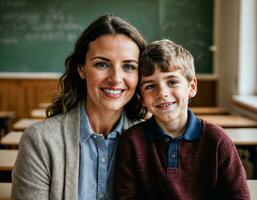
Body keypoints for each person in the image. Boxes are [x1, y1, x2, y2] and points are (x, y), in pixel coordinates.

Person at [11, 15, 146, 200]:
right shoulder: (40, 142)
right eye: (102, 64)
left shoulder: (153, 140)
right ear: (81, 68)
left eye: (129, 66)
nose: (115, 78)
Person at [114, 39, 250, 200]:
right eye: (150, 86)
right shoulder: (131, 142)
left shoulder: (217, 140)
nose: (162, 93)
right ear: (142, 97)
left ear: (191, 87)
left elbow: (238, 196)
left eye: (172, 82)